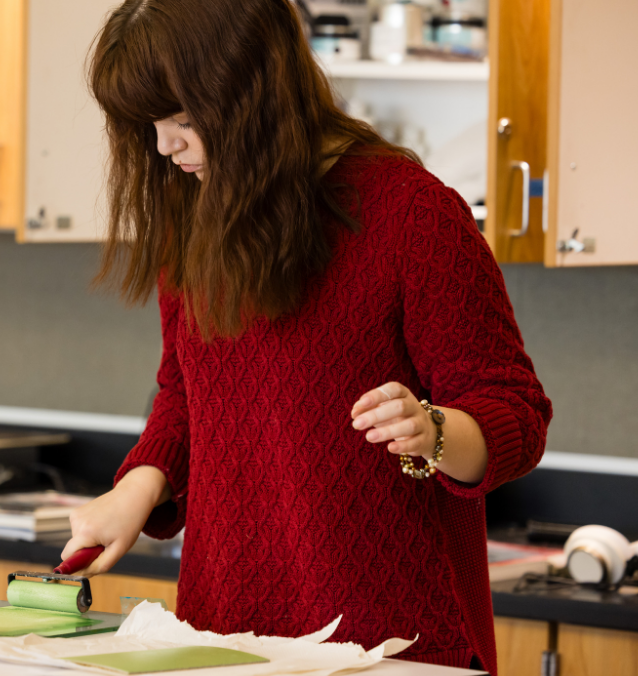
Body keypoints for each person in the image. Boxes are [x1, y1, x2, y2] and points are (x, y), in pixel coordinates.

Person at [59, 1, 552, 674]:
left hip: (392, 649)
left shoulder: (412, 213)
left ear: (253, 91)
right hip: (225, 638)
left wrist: (433, 431)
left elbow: (516, 415)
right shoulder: (199, 216)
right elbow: (187, 393)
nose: (163, 147)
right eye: (150, 125)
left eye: (182, 118)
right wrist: (137, 489)